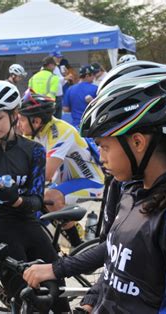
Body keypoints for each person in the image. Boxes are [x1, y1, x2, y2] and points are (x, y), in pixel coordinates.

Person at [23, 61, 166, 313]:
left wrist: (58, 269)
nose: (100, 156)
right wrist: (91, 301)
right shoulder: (129, 192)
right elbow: (116, 259)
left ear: (137, 142)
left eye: (104, 146)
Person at [0, 80, 70, 312]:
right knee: (23, 302)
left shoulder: (34, 151)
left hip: (29, 225)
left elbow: (38, 201)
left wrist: (17, 200)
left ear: (14, 114)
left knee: (58, 296)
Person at [17, 90, 104, 247]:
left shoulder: (60, 131)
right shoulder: (35, 131)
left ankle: (78, 245)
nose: (18, 124)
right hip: (67, 182)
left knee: (51, 198)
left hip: (91, 181)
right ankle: (55, 238)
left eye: (21, 120)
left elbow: (47, 174)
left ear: (36, 121)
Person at [51, 50, 74, 119]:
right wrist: (65, 78)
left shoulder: (57, 67)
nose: (59, 59)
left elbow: (61, 83)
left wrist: (66, 76)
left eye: (60, 57)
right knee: (53, 117)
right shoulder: (48, 68)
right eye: (57, 57)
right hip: (52, 96)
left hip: (58, 96)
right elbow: (53, 80)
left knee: (58, 117)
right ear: (52, 58)